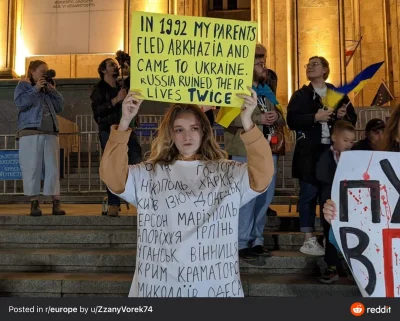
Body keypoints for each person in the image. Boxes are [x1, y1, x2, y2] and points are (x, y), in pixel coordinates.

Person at [99, 89, 274, 297]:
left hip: (212, 286)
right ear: (171, 134)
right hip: (161, 285)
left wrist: (248, 123)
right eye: (179, 129)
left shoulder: (227, 171)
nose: (187, 136)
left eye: (194, 128)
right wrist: (124, 122)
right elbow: (113, 178)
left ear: (204, 131)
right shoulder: (150, 172)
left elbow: (262, 177)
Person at [287, 56, 357, 256]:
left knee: (330, 195)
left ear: (325, 70)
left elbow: (353, 119)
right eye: (307, 65)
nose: (310, 67)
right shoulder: (301, 94)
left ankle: (331, 235)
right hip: (309, 151)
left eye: (315, 64)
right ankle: (308, 238)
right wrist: (314, 117)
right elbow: (291, 120)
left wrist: (344, 116)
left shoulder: (336, 93)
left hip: (332, 153)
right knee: (308, 194)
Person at [224, 44, 285, 260]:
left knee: (264, 197)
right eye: (258, 61)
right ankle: (241, 242)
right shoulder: (235, 90)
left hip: (268, 151)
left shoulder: (266, 92)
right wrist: (258, 118)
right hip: (244, 151)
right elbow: (226, 119)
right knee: (246, 197)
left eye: (264, 60)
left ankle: (257, 238)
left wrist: (276, 117)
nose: (263, 64)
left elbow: (281, 117)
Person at [323, 104, 400, 225]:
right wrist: (336, 214)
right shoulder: (373, 169)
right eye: (376, 132)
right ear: (396, 135)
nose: (379, 136)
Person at [91, 58, 142, 216]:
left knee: (136, 159)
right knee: (112, 164)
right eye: (111, 65)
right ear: (103, 70)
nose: (115, 67)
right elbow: (97, 111)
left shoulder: (122, 86)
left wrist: (131, 66)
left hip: (127, 130)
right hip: (109, 130)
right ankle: (114, 203)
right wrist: (116, 100)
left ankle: (139, 198)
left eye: (116, 64)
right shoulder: (99, 89)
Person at [14, 60, 66, 217]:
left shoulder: (48, 88)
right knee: (32, 167)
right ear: (32, 71)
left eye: (47, 71)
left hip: (50, 132)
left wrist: (52, 91)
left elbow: (60, 107)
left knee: (53, 167)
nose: (45, 74)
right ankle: (34, 203)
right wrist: (35, 89)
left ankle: (55, 202)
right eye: (42, 71)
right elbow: (20, 103)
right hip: (30, 131)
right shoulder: (23, 86)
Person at [316, 121, 355, 283]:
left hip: (349, 203)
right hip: (329, 204)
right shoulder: (326, 156)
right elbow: (320, 175)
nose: (349, 144)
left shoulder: (354, 158)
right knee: (330, 235)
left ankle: (354, 267)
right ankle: (332, 267)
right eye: (345, 140)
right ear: (333, 137)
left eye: (351, 141)